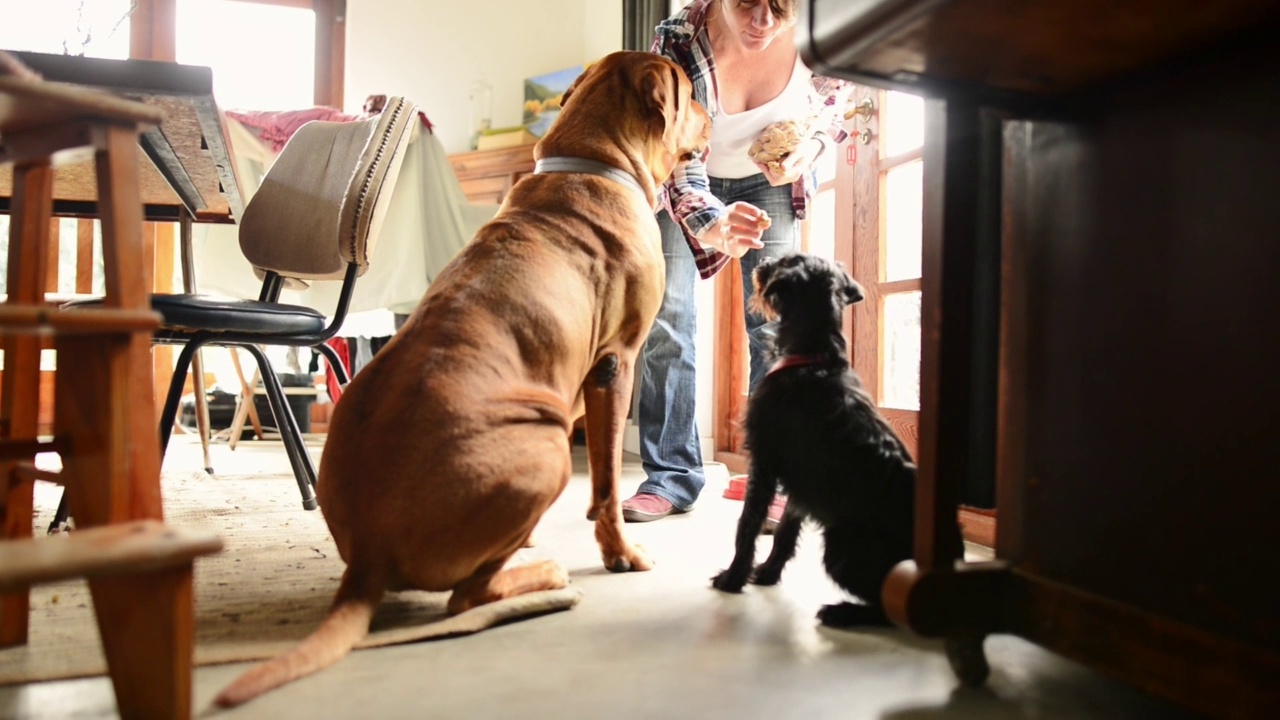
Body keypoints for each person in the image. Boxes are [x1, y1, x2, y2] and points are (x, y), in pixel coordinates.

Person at [621, 0, 852, 523]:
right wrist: (711, 222)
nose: (763, 22)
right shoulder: (679, 36)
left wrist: (810, 150)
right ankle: (670, 478)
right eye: (747, 2)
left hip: (767, 181)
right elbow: (673, 147)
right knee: (668, 320)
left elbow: (836, 106)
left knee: (775, 324)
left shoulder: (823, 34)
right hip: (682, 179)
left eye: (780, 8)